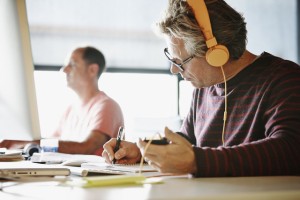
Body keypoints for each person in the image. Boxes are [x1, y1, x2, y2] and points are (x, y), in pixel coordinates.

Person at [102, 0, 300, 176]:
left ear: (216, 52)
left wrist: (197, 162)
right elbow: (188, 142)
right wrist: (143, 151)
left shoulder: (283, 78)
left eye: (181, 61)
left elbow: (290, 149)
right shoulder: (204, 87)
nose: (173, 70)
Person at [0, 46, 124, 155]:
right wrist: (22, 142)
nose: (64, 70)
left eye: (72, 64)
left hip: (95, 178)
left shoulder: (106, 106)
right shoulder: (70, 109)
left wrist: (28, 143)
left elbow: (87, 147)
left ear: (92, 70)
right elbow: (51, 142)